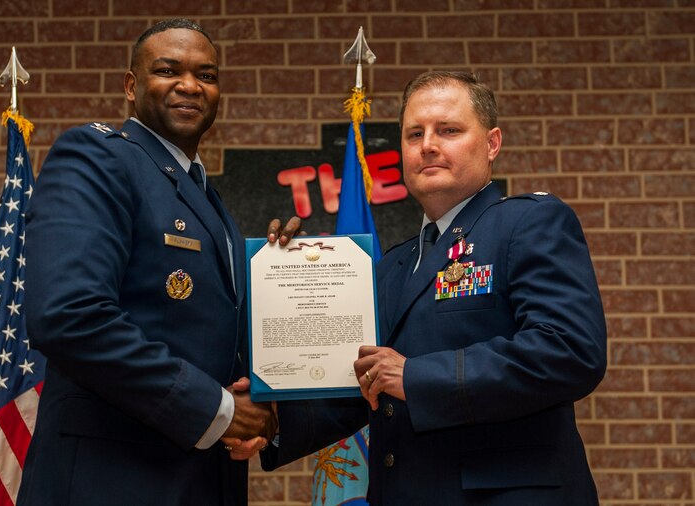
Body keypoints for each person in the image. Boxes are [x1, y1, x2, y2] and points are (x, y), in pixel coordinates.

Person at [260, 70, 607, 504]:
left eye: (449, 130)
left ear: (492, 143)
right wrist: (269, 419)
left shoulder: (528, 223)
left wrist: (417, 376)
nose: (427, 145)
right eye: (414, 134)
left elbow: (569, 350)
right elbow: (364, 384)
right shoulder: (392, 266)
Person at [17, 19, 299, 506]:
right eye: (168, 70)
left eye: (207, 76)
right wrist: (218, 409)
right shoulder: (97, 157)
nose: (190, 85)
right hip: (111, 482)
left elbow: (211, 336)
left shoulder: (207, 198)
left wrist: (293, 275)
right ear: (131, 86)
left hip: (202, 480)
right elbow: (69, 315)